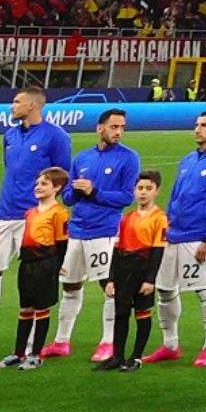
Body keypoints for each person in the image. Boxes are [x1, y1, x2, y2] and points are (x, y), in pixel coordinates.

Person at [0, 88, 70, 354]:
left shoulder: (56, 136)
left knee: (35, 280)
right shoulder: (10, 135)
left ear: (33, 105)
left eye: (17, 102)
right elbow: (10, 169)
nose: (11, 105)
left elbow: (62, 177)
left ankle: (30, 346)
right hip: (4, 213)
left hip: (35, 218)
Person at [149, 110, 206, 367]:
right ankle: (170, 344)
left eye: (204, 125)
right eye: (197, 125)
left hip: (198, 236)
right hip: (173, 235)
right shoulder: (187, 160)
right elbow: (175, 195)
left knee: (204, 290)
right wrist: (166, 224)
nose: (198, 130)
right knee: (164, 290)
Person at [57, 108, 140, 362]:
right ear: (99, 128)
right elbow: (68, 197)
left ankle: (108, 342)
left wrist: (94, 191)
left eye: (122, 127)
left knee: (109, 285)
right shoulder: (82, 158)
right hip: (77, 230)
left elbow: (127, 197)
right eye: (114, 127)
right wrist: (77, 192)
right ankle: (62, 340)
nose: (119, 132)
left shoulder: (129, 158)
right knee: (70, 285)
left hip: (105, 231)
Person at [0, 167, 71, 370]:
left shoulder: (59, 213)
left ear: (57, 187)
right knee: (25, 308)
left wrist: (58, 265)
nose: (38, 187)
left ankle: (36, 354)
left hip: (45, 263)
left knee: (41, 308)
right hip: (27, 263)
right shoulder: (30, 212)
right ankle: (18, 353)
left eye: (44, 184)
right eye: (38, 183)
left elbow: (62, 242)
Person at [99, 173, 167, 371]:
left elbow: (157, 250)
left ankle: (136, 357)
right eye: (140, 188)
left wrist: (150, 279)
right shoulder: (127, 218)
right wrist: (111, 278)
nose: (143, 193)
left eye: (148, 188)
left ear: (157, 191)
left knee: (142, 312)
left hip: (143, 268)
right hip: (124, 268)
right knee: (121, 313)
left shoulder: (159, 218)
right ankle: (117, 356)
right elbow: (117, 249)